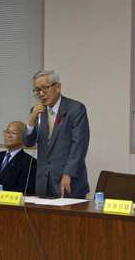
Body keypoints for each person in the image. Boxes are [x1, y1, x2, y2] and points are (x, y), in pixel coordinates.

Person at [22, 70, 90, 198]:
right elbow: (28, 142)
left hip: (69, 181)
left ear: (57, 87)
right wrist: (31, 120)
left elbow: (79, 145)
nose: (41, 94)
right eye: (37, 90)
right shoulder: (37, 112)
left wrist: (67, 174)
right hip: (43, 182)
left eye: (45, 88)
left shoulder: (75, 109)